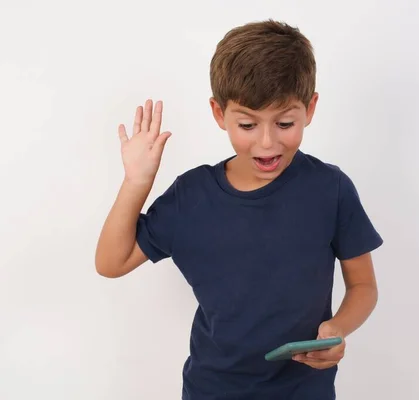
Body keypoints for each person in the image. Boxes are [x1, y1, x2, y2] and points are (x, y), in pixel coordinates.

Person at [95, 19, 383, 400]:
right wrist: (136, 183)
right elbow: (111, 263)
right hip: (212, 389)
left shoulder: (330, 189)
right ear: (219, 113)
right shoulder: (192, 196)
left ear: (310, 108)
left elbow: (363, 285)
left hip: (305, 391)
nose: (267, 142)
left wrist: (338, 328)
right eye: (247, 124)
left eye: (284, 123)